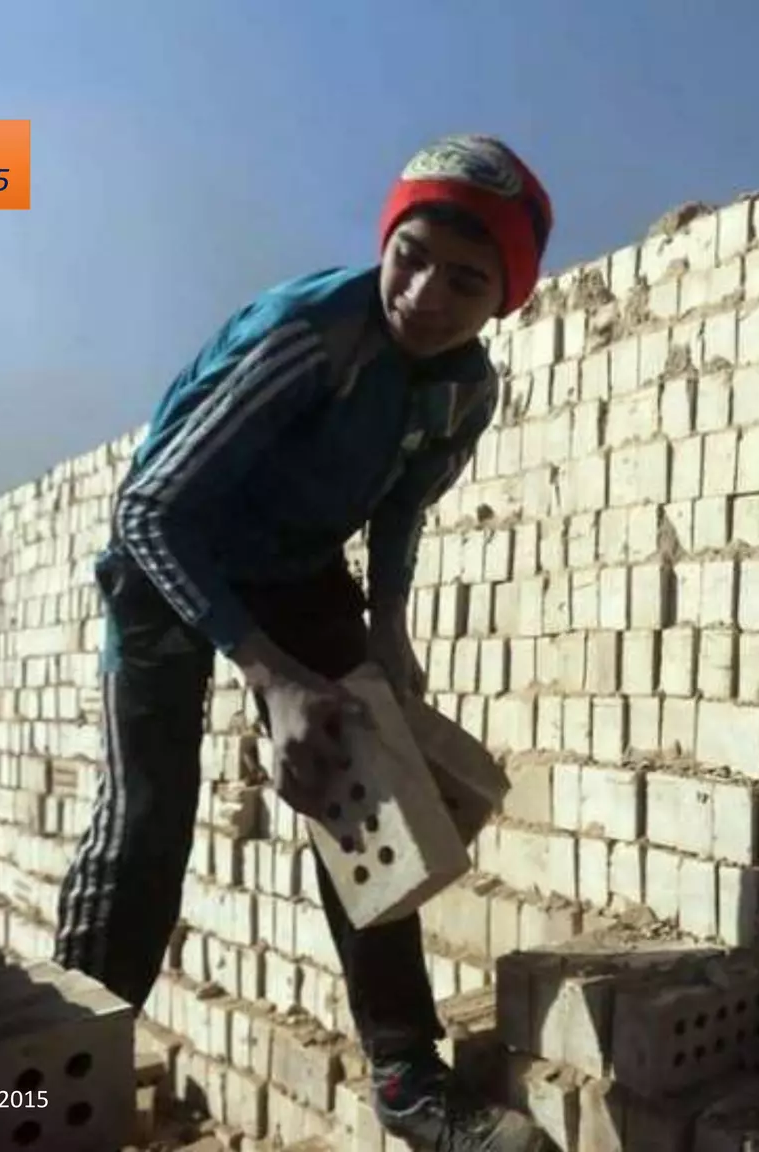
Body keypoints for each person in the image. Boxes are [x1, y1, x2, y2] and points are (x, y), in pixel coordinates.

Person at [53, 134, 554, 1151]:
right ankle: (58, 1072)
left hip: (292, 564)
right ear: (384, 240)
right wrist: (268, 677)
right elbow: (148, 508)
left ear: (504, 298)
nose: (422, 294)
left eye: (465, 280)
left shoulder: (464, 388)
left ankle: (408, 1074)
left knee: (362, 784)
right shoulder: (312, 338)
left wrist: (386, 634)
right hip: (169, 560)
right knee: (148, 820)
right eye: (408, 256)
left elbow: (402, 504)